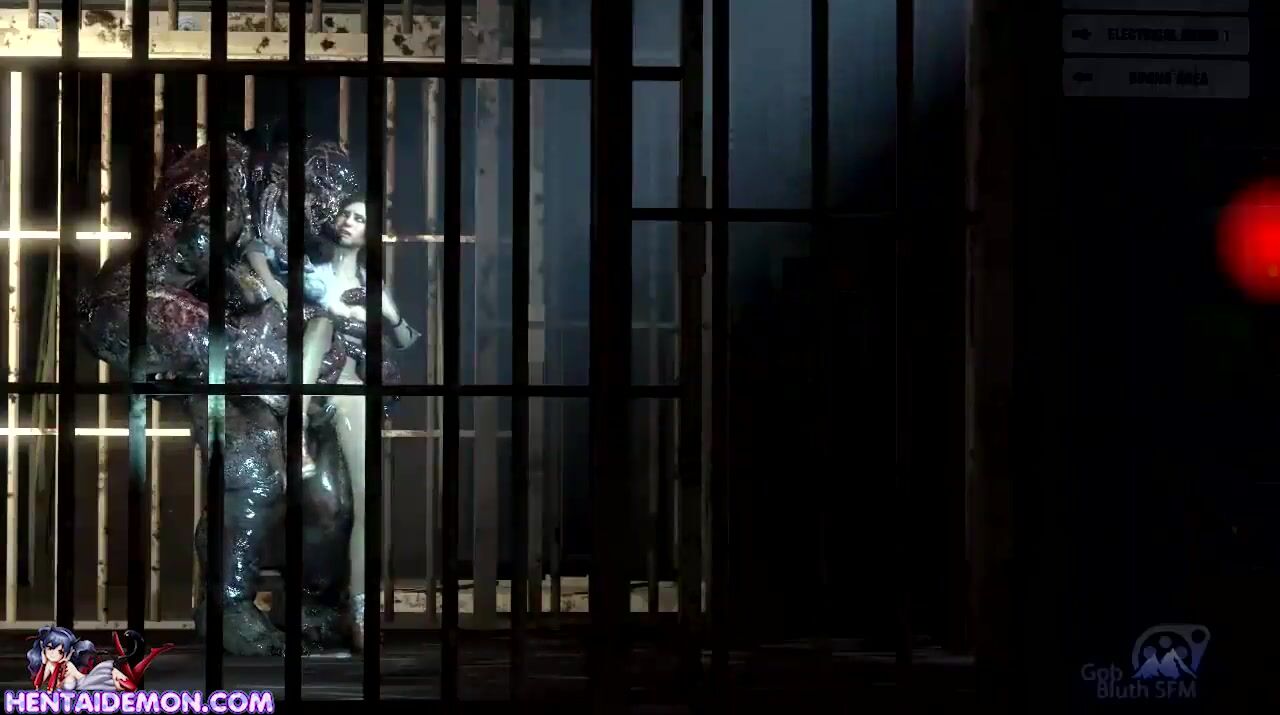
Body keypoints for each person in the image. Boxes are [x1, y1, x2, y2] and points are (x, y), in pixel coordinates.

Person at [299, 193, 420, 650]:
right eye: (346, 214)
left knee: (367, 499)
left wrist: (389, 313)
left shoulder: (372, 283)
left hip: (349, 386)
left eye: (361, 219)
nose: (350, 222)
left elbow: (407, 340)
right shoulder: (310, 272)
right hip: (306, 379)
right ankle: (295, 431)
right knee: (320, 327)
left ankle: (362, 611)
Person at [26, 627, 174, 692]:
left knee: (110, 670)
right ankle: (153, 653)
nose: (53, 654)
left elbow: (81, 679)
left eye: (59, 651)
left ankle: (152, 654)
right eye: (50, 648)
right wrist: (44, 663)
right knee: (116, 672)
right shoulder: (49, 666)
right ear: (43, 648)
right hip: (66, 693)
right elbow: (38, 684)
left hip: (84, 684)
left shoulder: (68, 665)